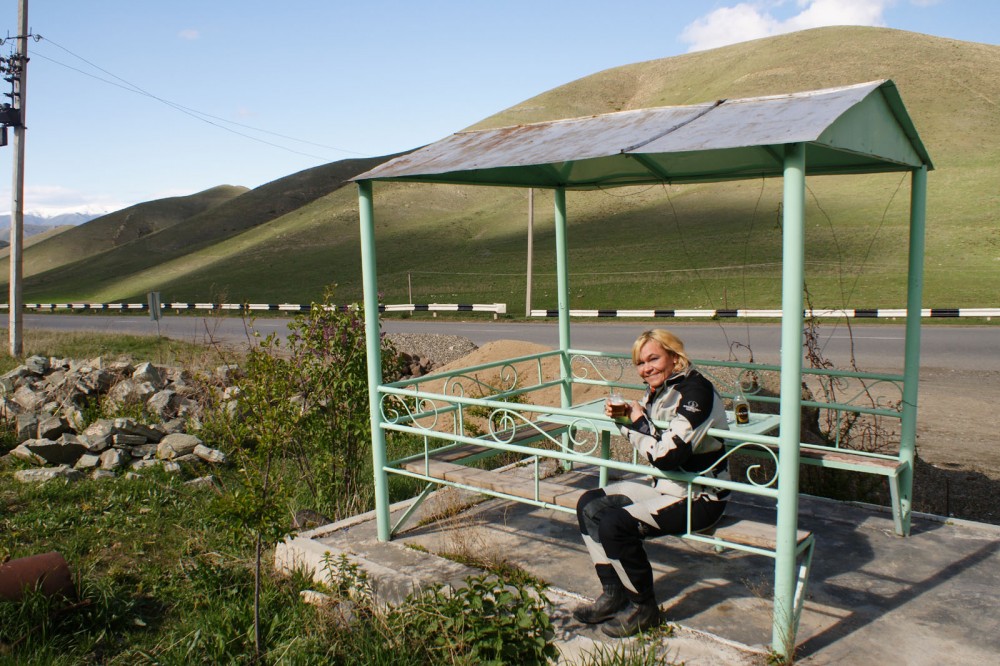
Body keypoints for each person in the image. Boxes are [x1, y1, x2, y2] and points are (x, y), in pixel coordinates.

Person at [573, 328, 730, 638]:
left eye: (653, 359)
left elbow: (668, 455)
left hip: (702, 497)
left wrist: (633, 425)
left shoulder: (696, 391)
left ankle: (645, 609)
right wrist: (629, 420)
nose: (646, 369)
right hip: (666, 486)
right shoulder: (657, 391)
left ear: (674, 356)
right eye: (640, 363)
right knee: (589, 505)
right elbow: (652, 442)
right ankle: (613, 594)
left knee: (615, 525)